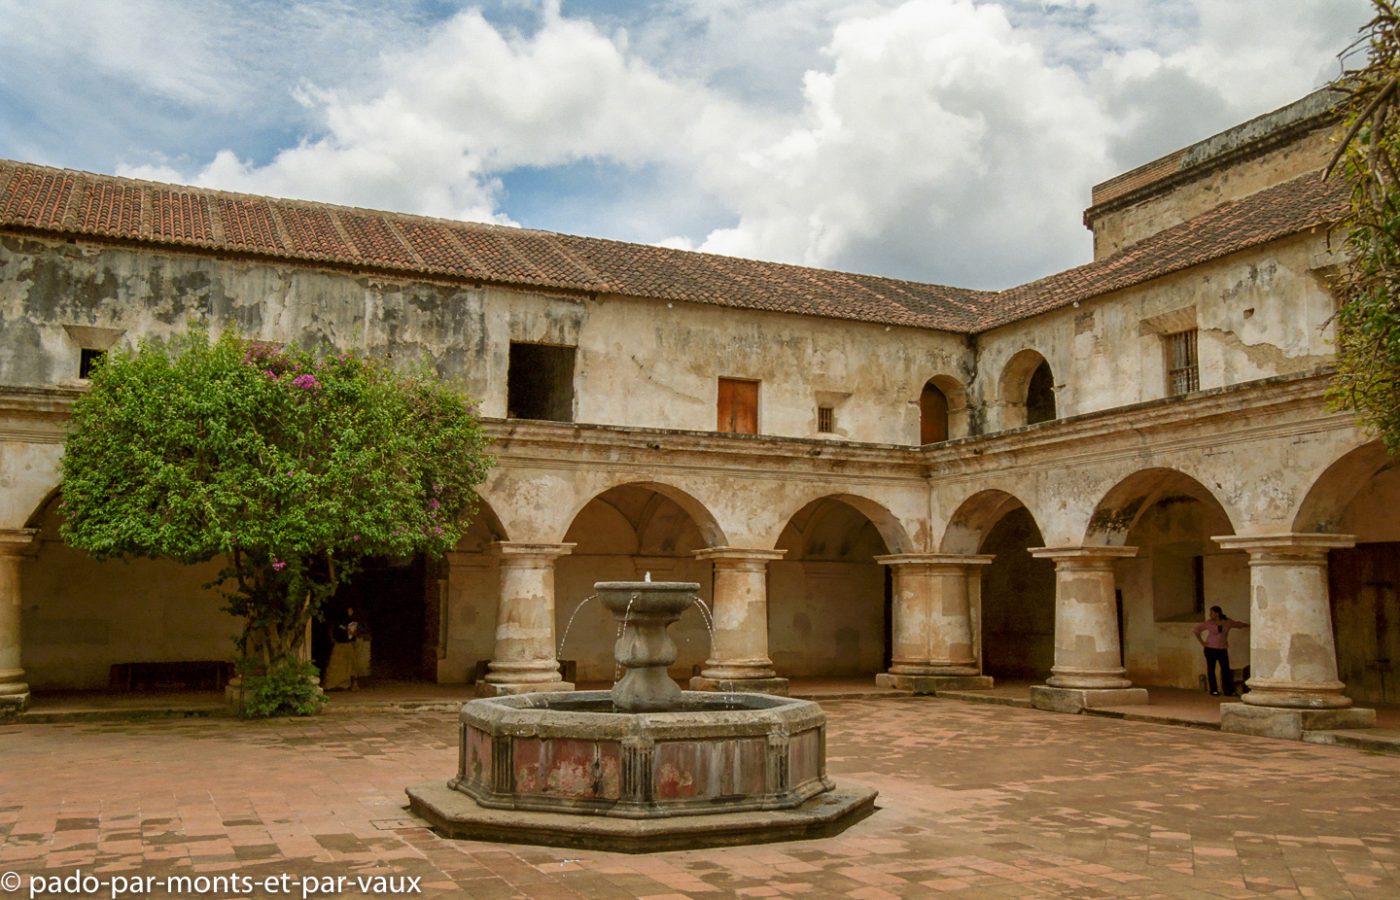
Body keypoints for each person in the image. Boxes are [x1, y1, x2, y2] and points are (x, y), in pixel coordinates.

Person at [1194, 605, 1248, 697]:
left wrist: (1249, 625)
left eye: (1212, 613)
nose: (1210, 614)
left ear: (1217, 613)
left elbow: (1238, 624)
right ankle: (1214, 690)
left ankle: (1228, 690)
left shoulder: (1227, 622)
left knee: (1225, 669)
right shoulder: (1209, 623)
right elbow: (1196, 630)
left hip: (1222, 649)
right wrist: (1202, 642)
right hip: (1210, 649)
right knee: (1211, 669)